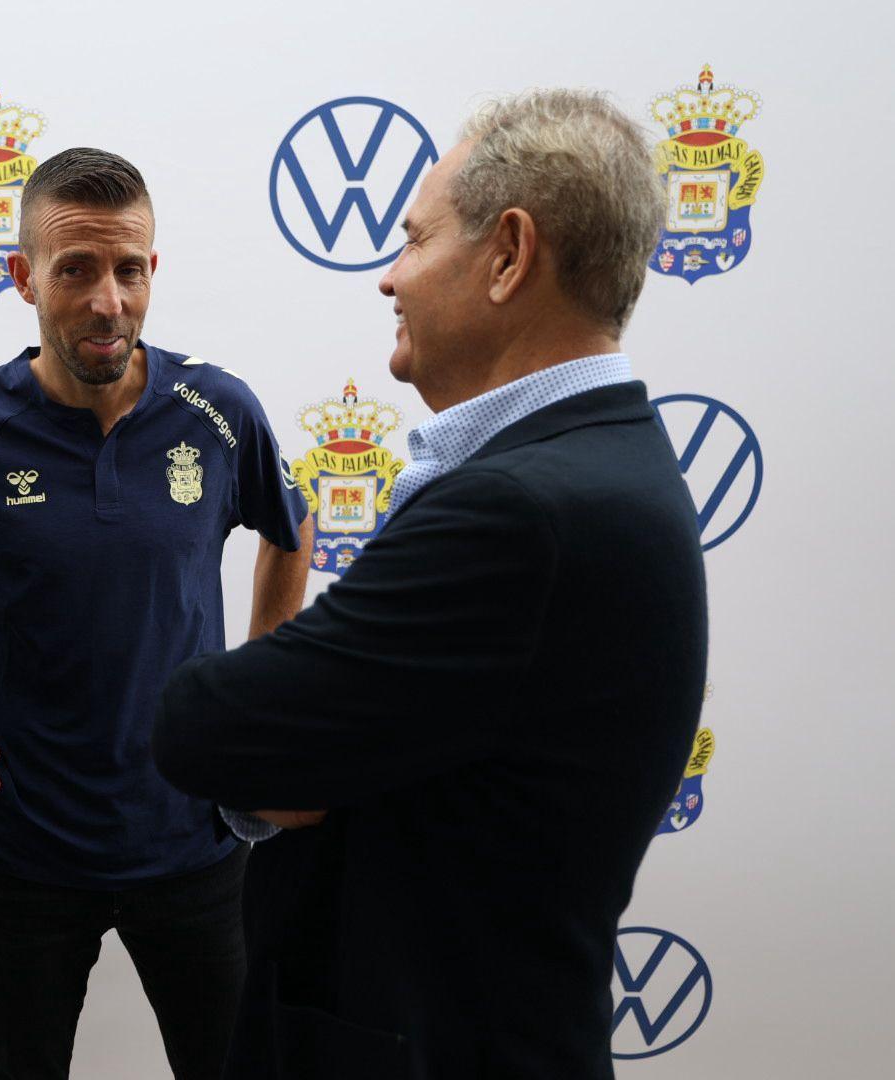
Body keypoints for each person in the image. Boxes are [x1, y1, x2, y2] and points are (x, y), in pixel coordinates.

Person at [153, 90, 708, 1078]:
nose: (388, 277)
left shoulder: (518, 513)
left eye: (413, 240)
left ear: (508, 256)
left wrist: (300, 747)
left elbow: (207, 726)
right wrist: (315, 754)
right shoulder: (594, 463)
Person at [0, 147, 312, 1080]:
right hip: (24, 852)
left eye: (129, 269)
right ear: (21, 278)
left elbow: (292, 526)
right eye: (76, 269)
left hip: (195, 844)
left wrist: (255, 694)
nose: (108, 300)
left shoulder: (215, 410)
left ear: (151, 271)